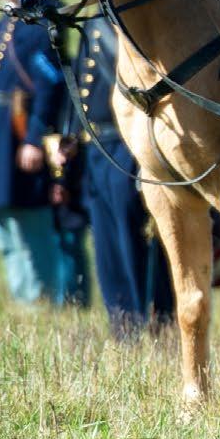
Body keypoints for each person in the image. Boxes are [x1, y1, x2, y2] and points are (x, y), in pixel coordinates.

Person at [73, 17, 174, 335]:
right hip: (96, 144)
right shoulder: (90, 23)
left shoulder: (124, 22)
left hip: (126, 142)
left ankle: (153, 319)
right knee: (107, 243)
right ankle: (122, 323)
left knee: (133, 236)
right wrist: (70, 131)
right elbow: (78, 81)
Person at [0, 6, 76, 304]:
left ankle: (42, 299)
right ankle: (23, 297)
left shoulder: (38, 25)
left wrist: (34, 138)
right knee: (5, 226)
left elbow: (50, 87)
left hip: (20, 135)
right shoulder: (2, 24)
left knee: (32, 228)